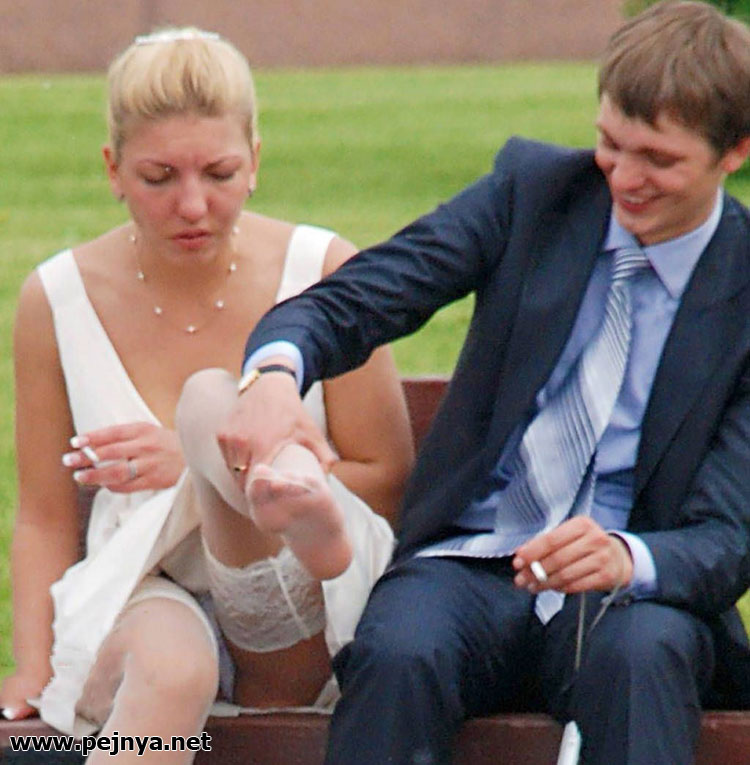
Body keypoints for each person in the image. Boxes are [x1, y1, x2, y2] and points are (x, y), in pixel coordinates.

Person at [218, 2, 750, 763]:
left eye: (659, 160)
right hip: (472, 562)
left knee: (641, 657)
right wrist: (275, 373)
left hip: (632, 595)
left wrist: (628, 556)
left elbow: (728, 535)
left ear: (735, 151)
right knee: (400, 650)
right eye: (611, 144)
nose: (626, 179)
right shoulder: (534, 195)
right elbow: (360, 298)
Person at [0, 27, 413, 762]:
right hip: (142, 585)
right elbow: (43, 515)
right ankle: (234, 459)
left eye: (219, 173)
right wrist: (32, 666)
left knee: (209, 403)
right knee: (172, 668)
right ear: (113, 169)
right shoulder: (56, 298)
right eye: (158, 178)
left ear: (255, 160)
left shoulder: (322, 270)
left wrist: (192, 463)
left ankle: (244, 466)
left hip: (296, 602)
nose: (192, 205)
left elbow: (386, 478)